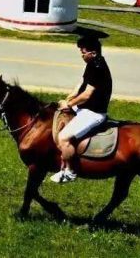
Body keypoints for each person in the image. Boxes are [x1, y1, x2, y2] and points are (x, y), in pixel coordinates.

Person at [50, 35, 113, 184]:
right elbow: (81, 85)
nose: (81, 55)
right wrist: (68, 99)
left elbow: (86, 95)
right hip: (83, 108)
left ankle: (70, 172)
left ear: (94, 53)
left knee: (64, 137)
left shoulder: (98, 68)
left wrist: (69, 105)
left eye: (83, 52)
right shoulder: (91, 64)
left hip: (93, 113)